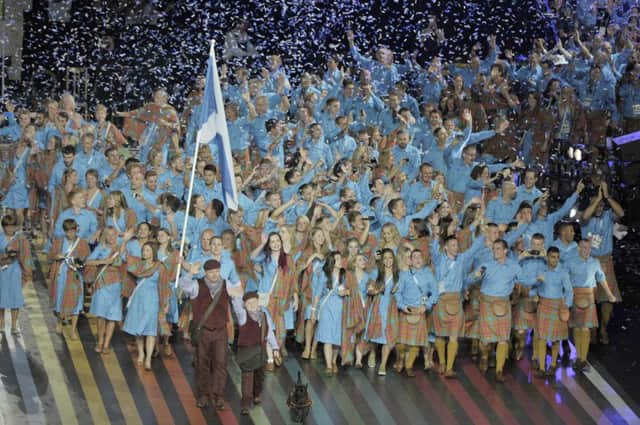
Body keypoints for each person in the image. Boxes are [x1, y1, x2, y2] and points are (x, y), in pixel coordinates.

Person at [179, 259, 243, 410]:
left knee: (221, 364)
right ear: (205, 272)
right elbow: (183, 285)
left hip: (220, 330)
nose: (214, 275)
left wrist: (243, 320)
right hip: (203, 331)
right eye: (211, 272)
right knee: (202, 364)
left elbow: (238, 299)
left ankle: (219, 396)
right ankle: (203, 395)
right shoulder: (197, 285)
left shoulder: (226, 284)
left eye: (216, 271)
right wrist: (190, 273)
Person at [580, 181, 624, 344]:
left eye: (601, 206)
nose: (599, 208)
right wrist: (597, 199)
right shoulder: (584, 218)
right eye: (596, 205)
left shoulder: (607, 216)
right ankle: (591, 330)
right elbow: (585, 216)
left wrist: (606, 197)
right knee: (589, 299)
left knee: (608, 300)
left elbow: (620, 212)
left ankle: (603, 329)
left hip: (606, 261)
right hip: (589, 263)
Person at [565, 239, 616, 371]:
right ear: (579, 249)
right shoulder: (570, 262)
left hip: (588, 297)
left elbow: (601, 278)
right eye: (583, 248)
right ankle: (578, 357)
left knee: (586, 328)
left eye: (588, 248)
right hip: (574, 296)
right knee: (576, 328)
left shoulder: (595, 262)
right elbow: (564, 280)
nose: (586, 250)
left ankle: (583, 358)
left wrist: (610, 294)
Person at [122, 237, 171, 371]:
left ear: (153, 252)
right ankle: (141, 353)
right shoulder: (138, 264)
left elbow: (165, 286)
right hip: (138, 299)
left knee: (150, 330)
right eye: (143, 250)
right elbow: (124, 257)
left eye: (147, 250)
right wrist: (125, 240)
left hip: (153, 301)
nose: (144, 252)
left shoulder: (160, 267)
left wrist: (166, 303)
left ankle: (148, 358)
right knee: (138, 330)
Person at [231, 291, 280, 415]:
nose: (252, 305)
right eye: (249, 303)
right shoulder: (243, 315)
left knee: (259, 377)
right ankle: (246, 404)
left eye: (254, 302)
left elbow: (269, 334)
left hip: (261, 351)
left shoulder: (264, 315)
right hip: (247, 352)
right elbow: (237, 307)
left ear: (258, 302)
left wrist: (275, 348)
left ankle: (256, 394)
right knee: (247, 378)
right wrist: (234, 296)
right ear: (245, 305)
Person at [84, 226, 129, 353]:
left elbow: (125, 260)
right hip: (102, 283)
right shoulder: (101, 248)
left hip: (116, 284)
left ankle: (107, 343)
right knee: (101, 315)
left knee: (112, 316)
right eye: (108, 235)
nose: (111, 237)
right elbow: (88, 262)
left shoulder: (121, 248)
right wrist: (104, 261)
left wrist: (124, 242)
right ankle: (100, 341)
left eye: (113, 234)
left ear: (117, 235)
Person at [531, 247, 573, 378]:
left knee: (556, 339)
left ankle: (553, 364)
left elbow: (569, 291)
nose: (555, 260)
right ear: (547, 257)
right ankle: (542, 368)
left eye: (557, 257)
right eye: (552, 257)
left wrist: (566, 305)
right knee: (542, 338)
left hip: (558, 306)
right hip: (543, 305)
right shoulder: (541, 271)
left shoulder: (563, 272)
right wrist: (534, 294)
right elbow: (533, 288)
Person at [394, 249, 437, 377]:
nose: (418, 259)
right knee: (401, 342)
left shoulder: (428, 274)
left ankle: (409, 366)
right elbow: (397, 293)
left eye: (420, 257)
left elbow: (435, 292)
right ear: (410, 261)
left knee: (416, 343)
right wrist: (402, 306)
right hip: (407, 311)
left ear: (423, 260)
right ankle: (401, 358)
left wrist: (427, 305)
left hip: (420, 311)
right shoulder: (404, 275)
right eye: (415, 257)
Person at [48, 219, 90, 340]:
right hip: (62, 276)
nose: (70, 234)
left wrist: (79, 262)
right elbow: (49, 256)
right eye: (67, 231)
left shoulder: (82, 243)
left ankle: (72, 330)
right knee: (61, 300)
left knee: (76, 303)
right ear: (64, 231)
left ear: (76, 230)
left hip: (75, 277)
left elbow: (86, 259)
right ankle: (59, 322)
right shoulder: (59, 242)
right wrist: (56, 256)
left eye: (72, 231)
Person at [364, 248, 400, 376]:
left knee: (388, 336)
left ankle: (383, 363)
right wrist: (378, 290)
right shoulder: (376, 273)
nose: (388, 260)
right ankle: (373, 353)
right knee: (375, 334)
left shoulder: (398, 275)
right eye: (385, 258)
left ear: (394, 259)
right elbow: (369, 290)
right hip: (378, 306)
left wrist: (398, 291)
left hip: (392, 308)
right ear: (382, 260)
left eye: (390, 258)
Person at [0, 215, 33, 334]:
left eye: (12, 226)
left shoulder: (21, 239)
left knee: (15, 298)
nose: (9, 229)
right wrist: (4, 257)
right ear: (3, 227)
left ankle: (14, 325)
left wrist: (28, 273)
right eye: (7, 226)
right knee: (1, 298)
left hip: (15, 271)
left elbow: (27, 255)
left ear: (16, 227)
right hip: (2, 272)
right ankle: (1, 324)